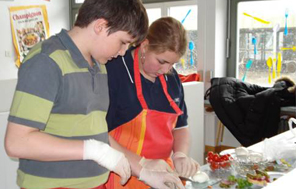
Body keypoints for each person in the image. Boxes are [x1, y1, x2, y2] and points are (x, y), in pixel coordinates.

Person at [4, 0, 148, 189]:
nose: (122, 53)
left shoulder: (99, 66)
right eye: (123, 42)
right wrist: (94, 151)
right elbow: (17, 142)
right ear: (101, 26)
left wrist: (145, 169)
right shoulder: (46, 61)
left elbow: (96, 136)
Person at [105, 17, 200, 189]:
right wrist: (143, 163)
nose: (166, 70)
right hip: (122, 175)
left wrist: (180, 155)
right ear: (145, 46)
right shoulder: (115, 71)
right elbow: (100, 134)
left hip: (162, 175)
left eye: (172, 64)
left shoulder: (172, 79)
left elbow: (180, 127)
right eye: (162, 61)